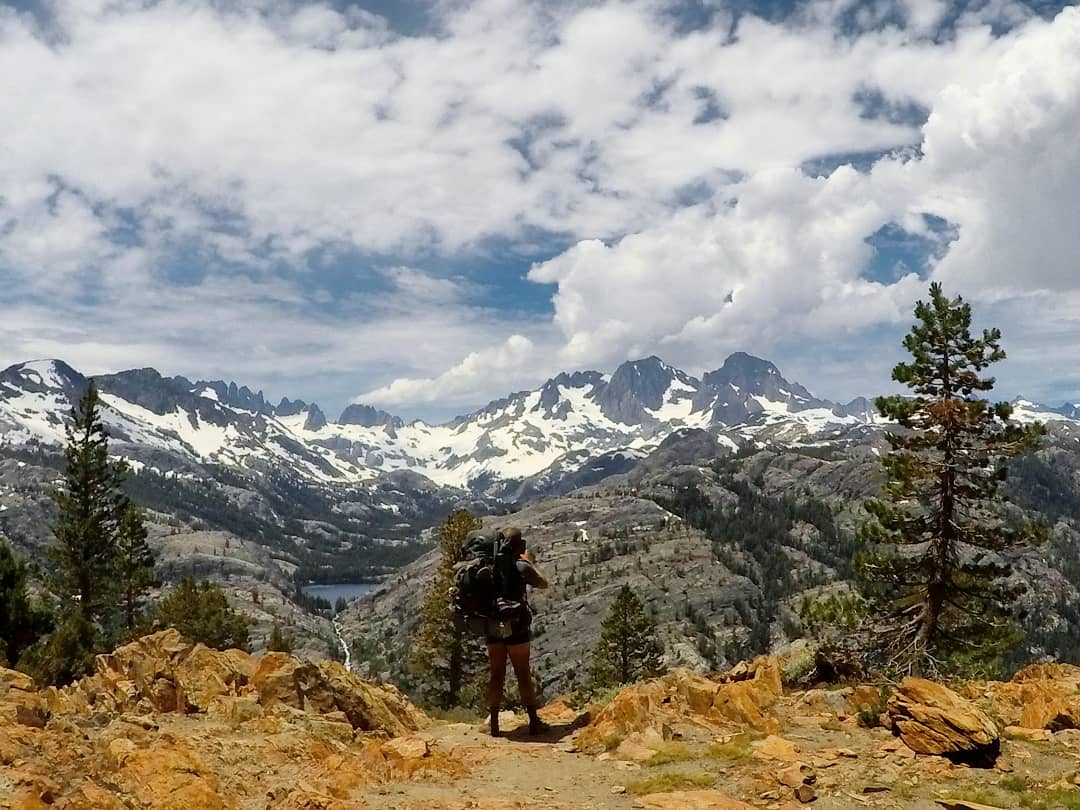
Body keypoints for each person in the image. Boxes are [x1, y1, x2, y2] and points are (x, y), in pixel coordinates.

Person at [486, 526, 549, 737]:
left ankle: (494, 724)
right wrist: (528, 561)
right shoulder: (520, 566)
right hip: (517, 625)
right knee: (522, 673)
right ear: (518, 545)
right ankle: (533, 722)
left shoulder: (489, 566)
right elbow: (543, 583)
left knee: (496, 674)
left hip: (494, 626)